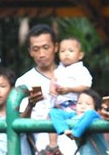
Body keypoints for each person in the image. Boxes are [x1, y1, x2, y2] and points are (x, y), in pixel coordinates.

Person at [15, 24, 76, 154]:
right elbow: (19, 123)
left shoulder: (75, 74)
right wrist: (31, 105)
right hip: (42, 147)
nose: (41, 54)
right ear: (30, 51)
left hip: (74, 142)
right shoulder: (24, 81)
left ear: (55, 47)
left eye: (46, 47)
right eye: (36, 49)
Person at [43, 37, 93, 153]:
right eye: (62, 51)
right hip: (60, 106)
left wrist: (69, 89)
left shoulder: (81, 70)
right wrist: (52, 88)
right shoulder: (59, 70)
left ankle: (76, 136)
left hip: (75, 106)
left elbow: (86, 85)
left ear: (80, 55)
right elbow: (53, 81)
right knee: (51, 115)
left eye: (70, 51)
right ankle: (53, 144)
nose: (66, 54)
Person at [47, 89, 109, 155]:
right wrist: (64, 129)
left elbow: (90, 113)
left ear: (98, 110)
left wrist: (75, 133)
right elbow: (54, 112)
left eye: (88, 104)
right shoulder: (74, 116)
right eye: (79, 103)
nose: (82, 107)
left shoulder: (95, 116)